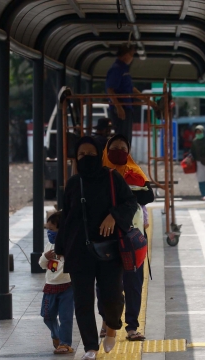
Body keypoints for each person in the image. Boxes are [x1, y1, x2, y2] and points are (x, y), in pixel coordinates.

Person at [55, 137, 138, 360]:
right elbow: (66, 217)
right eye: (82, 155)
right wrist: (59, 247)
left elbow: (130, 203)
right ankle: (90, 347)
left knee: (111, 297)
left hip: (109, 250)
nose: (86, 159)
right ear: (76, 158)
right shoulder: (73, 183)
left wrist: (114, 216)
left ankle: (111, 327)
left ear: (100, 155)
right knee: (82, 302)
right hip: (78, 251)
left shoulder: (112, 178)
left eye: (92, 154)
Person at [98, 134, 155, 342]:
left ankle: (132, 327)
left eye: (123, 148)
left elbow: (149, 195)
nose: (119, 151)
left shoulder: (134, 170)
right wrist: (128, 196)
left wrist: (120, 198)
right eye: (114, 147)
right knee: (106, 283)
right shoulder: (99, 173)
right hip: (107, 237)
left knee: (133, 282)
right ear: (106, 149)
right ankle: (106, 321)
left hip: (132, 237)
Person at [105, 44, 156, 145]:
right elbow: (110, 90)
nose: (132, 58)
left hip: (127, 108)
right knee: (121, 139)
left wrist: (148, 101)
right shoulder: (116, 69)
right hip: (121, 109)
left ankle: (124, 159)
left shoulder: (124, 69)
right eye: (131, 54)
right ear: (125, 55)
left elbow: (131, 89)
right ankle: (120, 159)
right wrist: (118, 107)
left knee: (126, 139)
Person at [39, 211, 74, 355]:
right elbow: (42, 265)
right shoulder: (48, 245)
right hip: (50, 285)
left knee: (66, 317)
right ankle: (56, 334)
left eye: (52, 230)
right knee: (47, 315)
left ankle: (65, 343)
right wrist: (45, 258)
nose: (49, 233)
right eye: (47, 229)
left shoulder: (69, 244)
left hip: (67, 285)